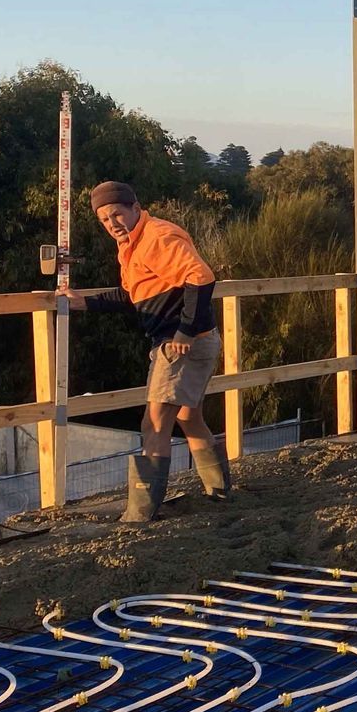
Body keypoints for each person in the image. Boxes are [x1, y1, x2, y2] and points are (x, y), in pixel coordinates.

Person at [71, 181, 227, 523]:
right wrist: (85, 302)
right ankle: (219, 490)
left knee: (154, 423)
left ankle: (141, 513)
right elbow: (134, 294)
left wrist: (185, 330)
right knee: (188, 417)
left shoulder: (156, 236)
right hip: (186, 339)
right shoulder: (132, 245)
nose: (112, 223)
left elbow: (201, 277)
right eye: (104, 219)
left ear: (135, 207)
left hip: (181, 342)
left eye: (117, 214)